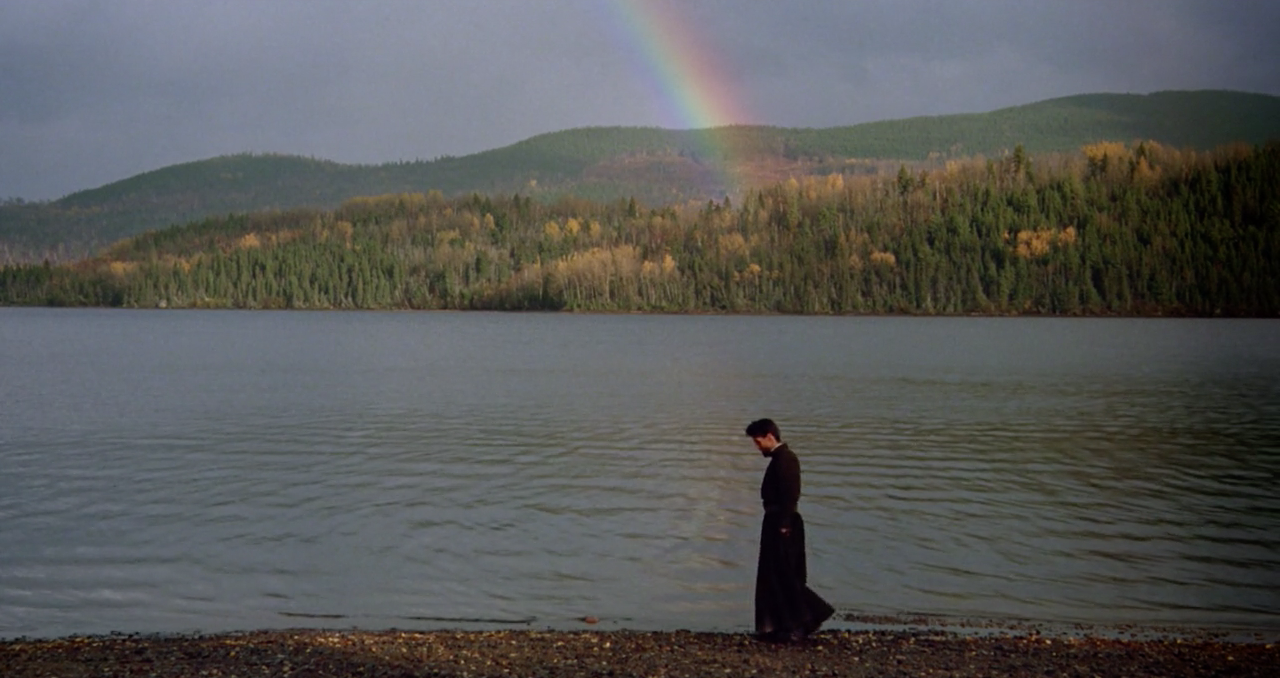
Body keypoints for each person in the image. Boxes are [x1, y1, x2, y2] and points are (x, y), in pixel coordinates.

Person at [746, 418, 834, 642]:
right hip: (776, 521)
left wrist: (784, 524)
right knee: (772, 576)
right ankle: (780, 626)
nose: (757, 448)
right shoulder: (779, 459)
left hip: (783, 523)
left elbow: (791, 493)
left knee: (785, 575)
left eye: (758, 442)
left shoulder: (786, 459)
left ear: (769, 436)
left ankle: (812, 615)